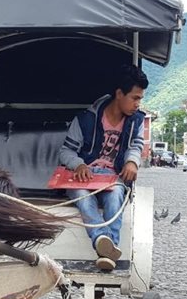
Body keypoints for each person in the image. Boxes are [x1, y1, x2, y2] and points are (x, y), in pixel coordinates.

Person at [58, 65, 148, 271]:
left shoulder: (137, 121)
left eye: (140, 99)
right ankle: (105, 243)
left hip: (111, 177)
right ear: (119, 94)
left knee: (116, 194)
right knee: (82, 196)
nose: (138, 104)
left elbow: (136, 145)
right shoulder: (85, 119)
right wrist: (79, 164)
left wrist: (132, 162)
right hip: (82, 175)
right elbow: (66, 152)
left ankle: (108, 247)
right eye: (135, 98)